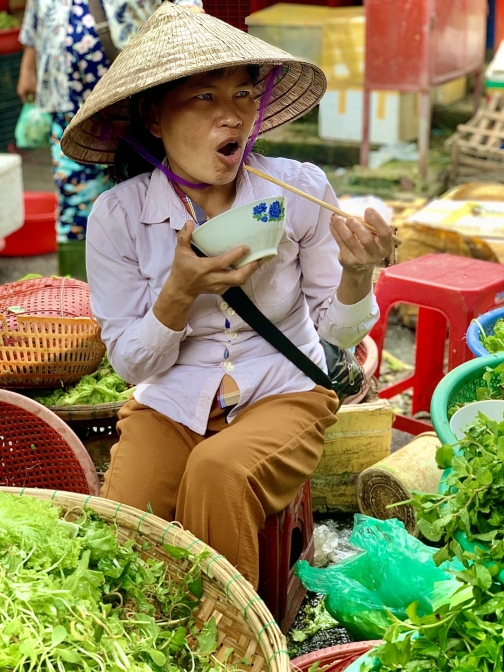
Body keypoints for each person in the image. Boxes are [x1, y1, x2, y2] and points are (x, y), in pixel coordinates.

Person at [60, 1, 393, 589]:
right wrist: (179, 293)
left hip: (285, 388)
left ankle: (231, 644)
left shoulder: (299, 189)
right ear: (155, 118)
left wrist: (356, 273)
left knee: (218, 472)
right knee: (118, 536)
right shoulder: (119, 215)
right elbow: (131, 362)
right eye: (206, 98)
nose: (233, 117)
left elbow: (338, 337)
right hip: (172, 398)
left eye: (243, 94)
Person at [16, 0, 162, 273]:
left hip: (132, 109)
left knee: (146, 191)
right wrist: (27, 69)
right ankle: (78, 292)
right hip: (69, 113)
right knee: (75, 203)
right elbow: (35, 23)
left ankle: (148, 275)